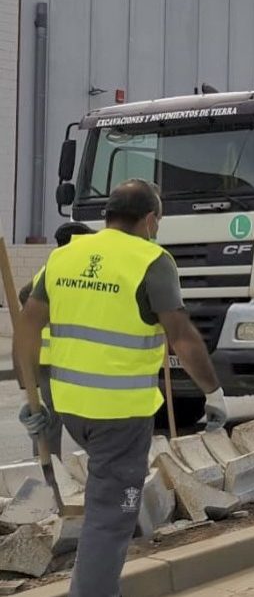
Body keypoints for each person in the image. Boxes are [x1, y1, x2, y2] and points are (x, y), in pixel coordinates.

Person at [14, 179, 230, 597]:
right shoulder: (151, 260)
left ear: (108, 215)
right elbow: (181, 336)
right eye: (158, 221)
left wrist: (31, 397)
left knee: (107, 504)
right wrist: (213, 393)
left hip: (72, 407)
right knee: (110, 516)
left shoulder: (65, 256)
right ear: (150, 220)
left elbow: (28, 325)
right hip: (120, 413)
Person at [15, 222, 95, 458]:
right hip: (56, 357)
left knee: (51, 416)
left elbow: (23, 294)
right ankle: (47, 468)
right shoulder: (63, 268)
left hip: (52, 356)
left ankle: (47, 464)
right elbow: (23, 295)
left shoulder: (54, 267)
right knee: (52, 416)